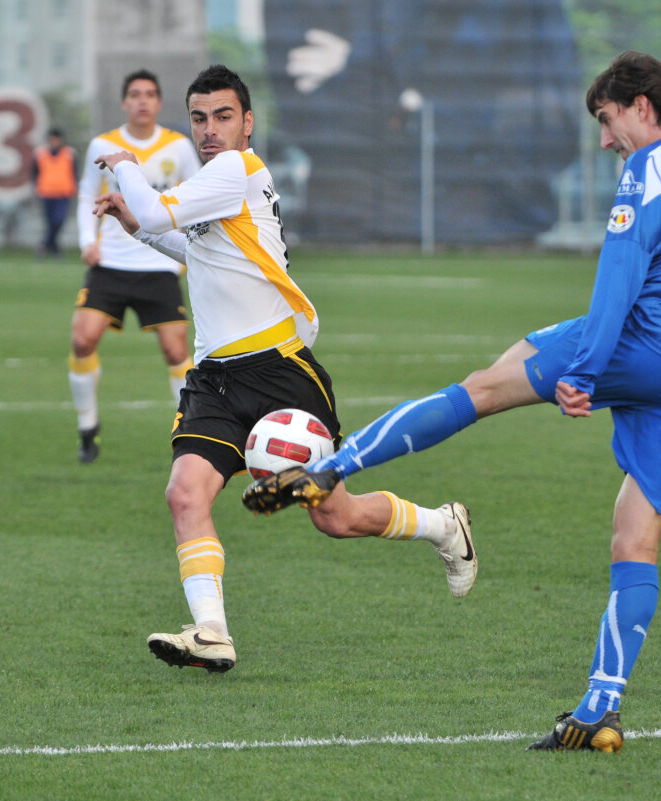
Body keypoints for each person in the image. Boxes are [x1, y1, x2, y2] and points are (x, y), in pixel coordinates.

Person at [244, 51, 661, 752]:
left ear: (643, 104)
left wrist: (589, 367)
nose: (606, 140)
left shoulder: (651, 166)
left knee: (485, 388)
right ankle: (599, 710)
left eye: (607, 121)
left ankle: (333, 466)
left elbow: (620, 271)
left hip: (648, 340)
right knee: (634, 534)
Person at [91, 64, 477, 675]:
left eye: (222, 116)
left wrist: (124, 162)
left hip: (278, 371)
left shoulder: (237, 168)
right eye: (198, 118)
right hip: (214, 378)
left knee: (334, 516)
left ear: (248, 122)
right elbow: (193, 247)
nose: (209, 129)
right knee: (185, 494)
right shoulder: (218, 182)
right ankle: (212, 632)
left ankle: (441, 524)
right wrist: (133, 226)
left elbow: (160, 211)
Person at [69, 69, 203, 463]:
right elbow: (85, 198)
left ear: (159, 103)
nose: (142, 101)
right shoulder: (104, 144)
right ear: (125, 103)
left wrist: (189, 250)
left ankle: (191, 431)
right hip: (110, 262)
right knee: (82, 340)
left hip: (159, 264)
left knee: (176, 348)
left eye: (149, 94)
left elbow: (196, 199)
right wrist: (86, 241)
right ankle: (87, 425)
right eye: (134, 95)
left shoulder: (177, 147)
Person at [31, 127, 77, 258]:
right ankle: (55, 248)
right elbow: (34, 173)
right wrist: (36, 186)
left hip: (64, 192)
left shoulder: (70, 153)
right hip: (46, 192)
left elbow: (74, 172)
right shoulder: (40, 153)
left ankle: (45, 244)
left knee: (59, 221)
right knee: (50, 222)